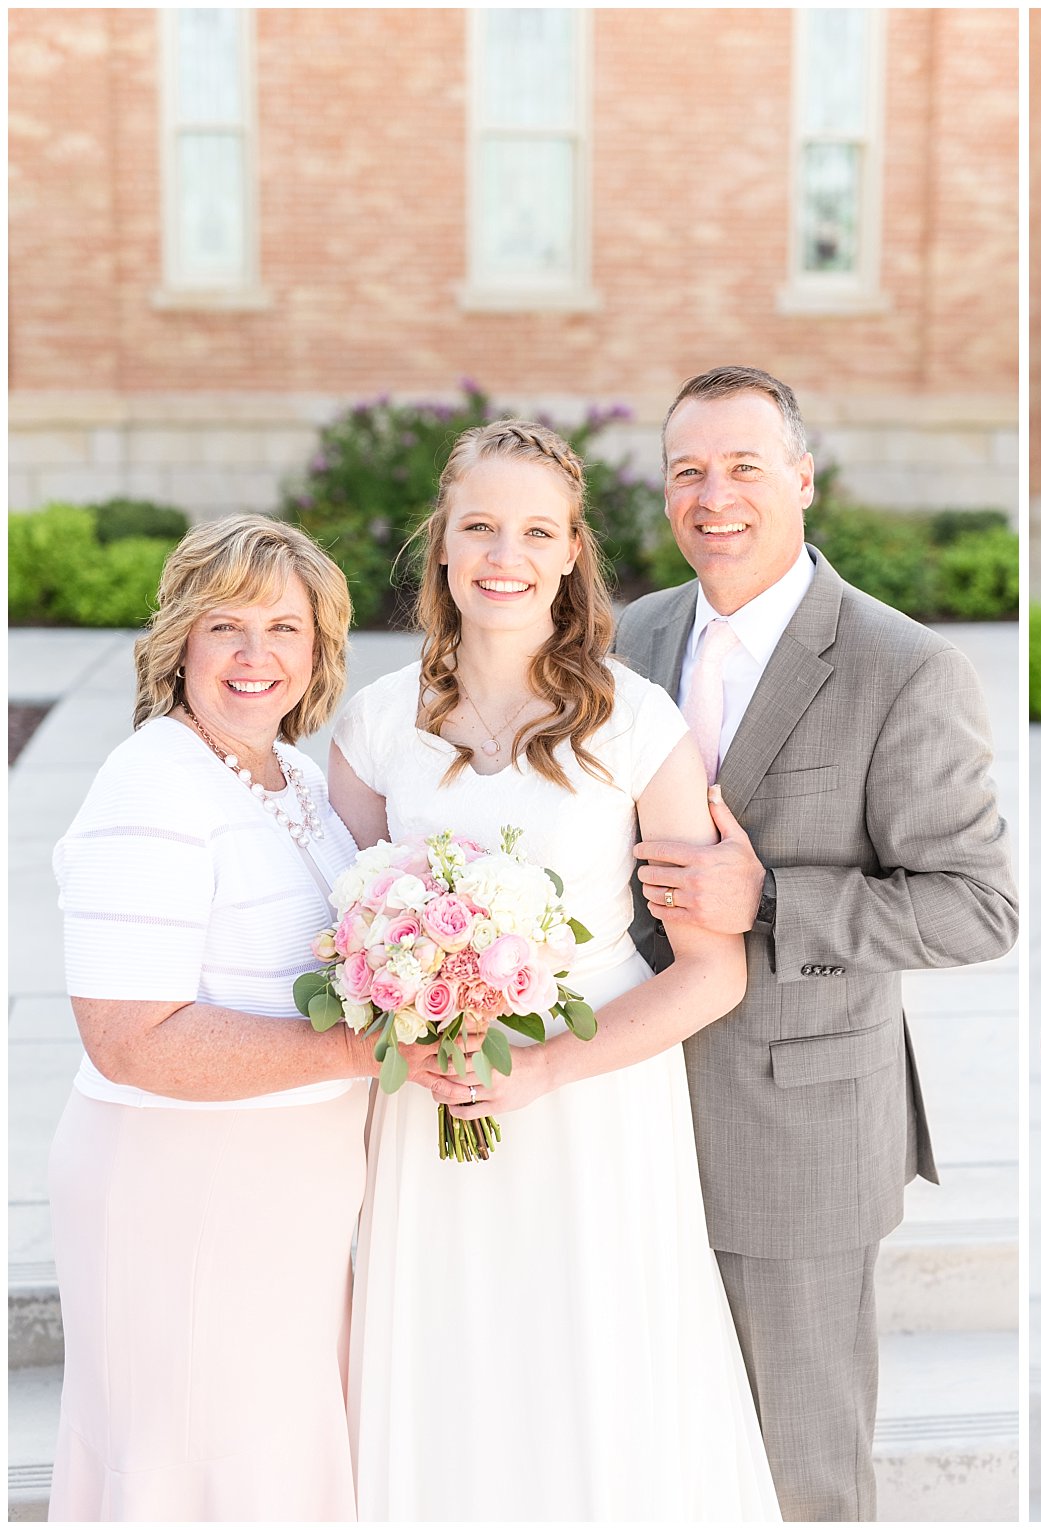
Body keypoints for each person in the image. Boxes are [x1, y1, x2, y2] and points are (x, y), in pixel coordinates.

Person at [329, 420, 779, 1520]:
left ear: (573, 552)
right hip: (430, 1097)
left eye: (536, 530)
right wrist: (401, 1009)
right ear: (440, 546)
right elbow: (331, 928)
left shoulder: (634, 721)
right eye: (478, 527)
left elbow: (710, 972)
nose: (503, 555)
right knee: (450, 1353)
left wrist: (542, 1072)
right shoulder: (378, 725)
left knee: (595, 1361)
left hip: (594, 1101)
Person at [616, 365, 1019, 1521]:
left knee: (801, 1477)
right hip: (626, 1110)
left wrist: (777, 898)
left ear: (802, 477)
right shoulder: (633, 636)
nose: (713, 495)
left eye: (744, 465)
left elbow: (976, 907)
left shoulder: (904, 669)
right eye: (686, 471)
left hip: (796, 1127)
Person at [48, 516, 379, 1519]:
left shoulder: (296, 780)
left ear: (318, 650)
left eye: (285, 628)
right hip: (183, 1193)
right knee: (192, 1468)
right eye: (225, 625)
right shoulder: (152, 784)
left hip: (287, 1200)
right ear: (179, 642)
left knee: (270, 1466)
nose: (255, 655)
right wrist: (366, 1047)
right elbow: (129, 1035)